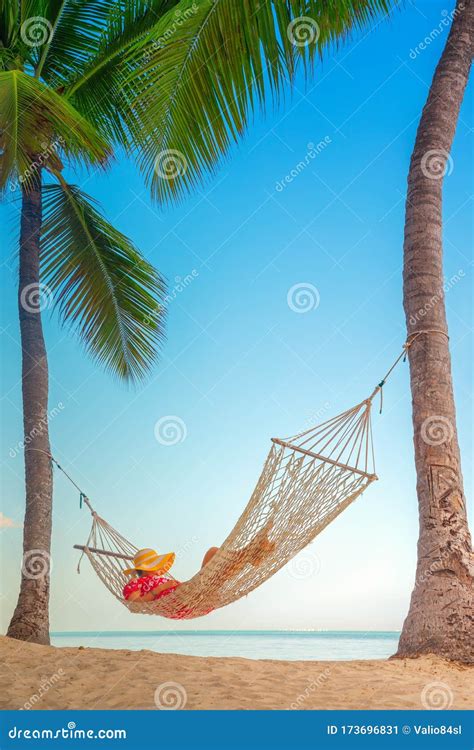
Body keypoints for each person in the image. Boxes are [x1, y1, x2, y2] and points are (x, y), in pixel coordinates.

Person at [122, 522, 275, 604]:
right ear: (146, 568)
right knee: (213, 554)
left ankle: (252, 552)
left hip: (193, 595)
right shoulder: (136, 582)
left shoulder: (152, 579)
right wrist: (162, 587)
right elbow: (134, 601)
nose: (159, 570)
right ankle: (252, 552)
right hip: (186, 600)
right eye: (155, 566)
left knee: (216, 557)